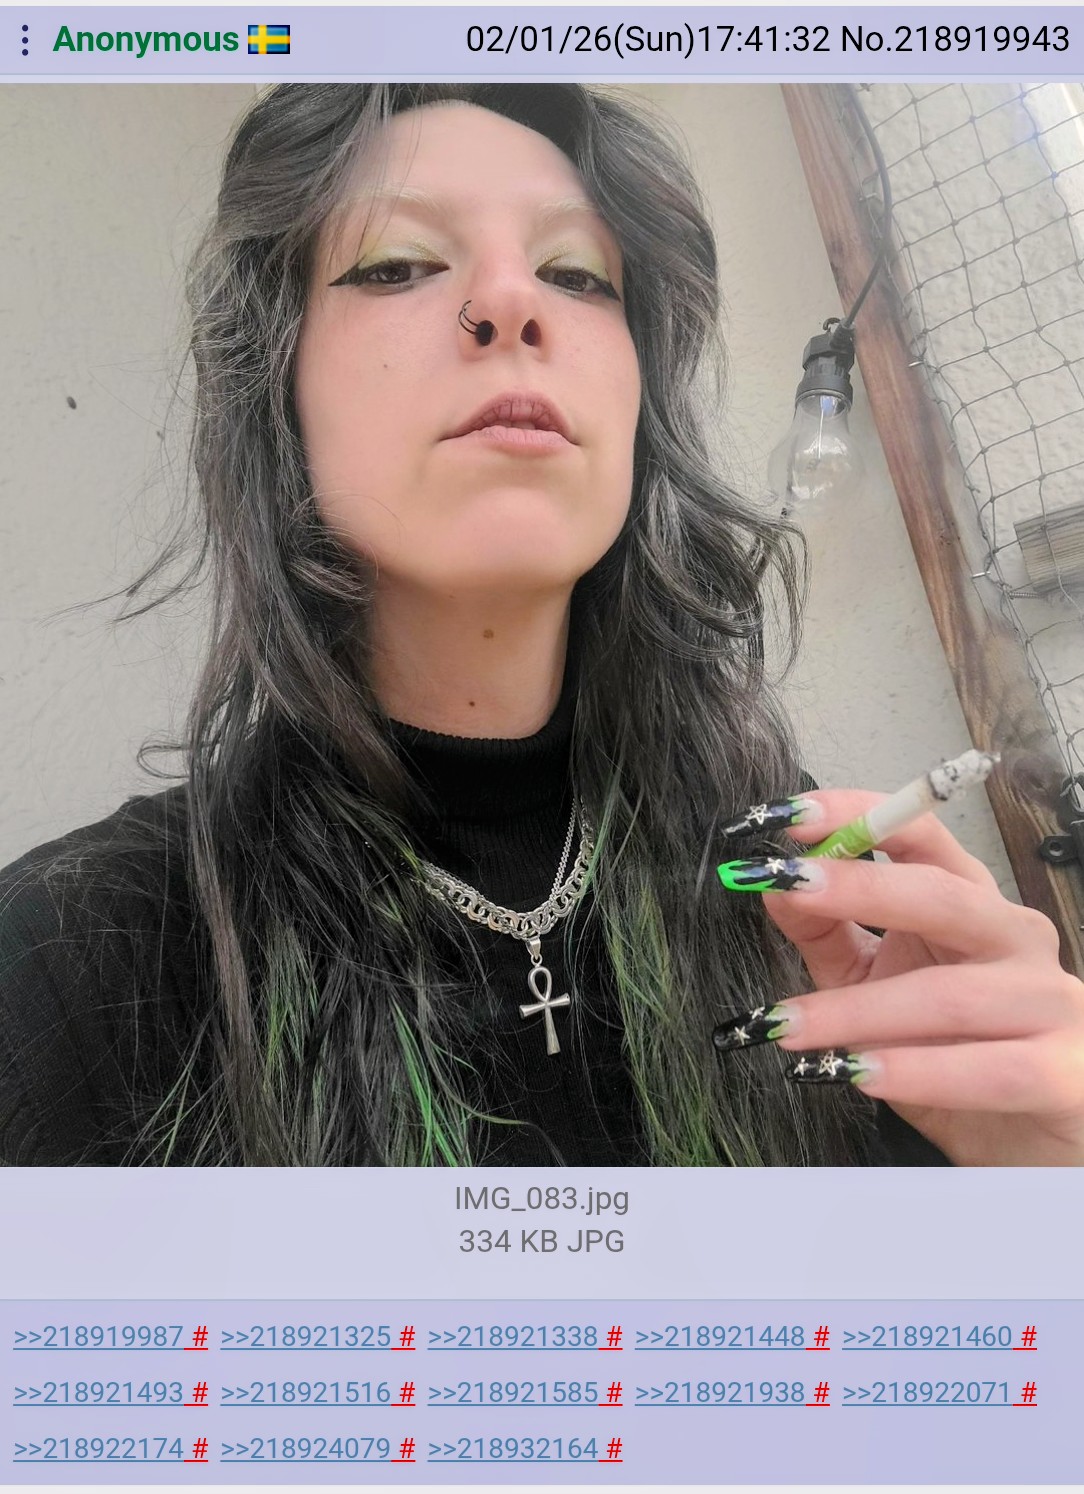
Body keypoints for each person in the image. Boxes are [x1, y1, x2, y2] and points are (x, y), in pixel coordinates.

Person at [2, 83, 1082, 1169]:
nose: (513, 301)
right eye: (397, 263)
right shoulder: (66, 970)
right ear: (275, 390)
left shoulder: (824, 909)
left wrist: (1027, 1181)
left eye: (577, 275)